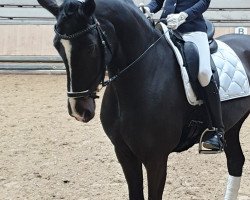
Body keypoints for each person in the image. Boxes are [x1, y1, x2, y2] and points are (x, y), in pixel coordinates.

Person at [140, 0, 225, 151]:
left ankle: (217, 131)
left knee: (204, 73)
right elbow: (158, 2)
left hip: (192, 29)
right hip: (166, 28)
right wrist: (148, 8)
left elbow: (204, 2)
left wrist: (184, 15)